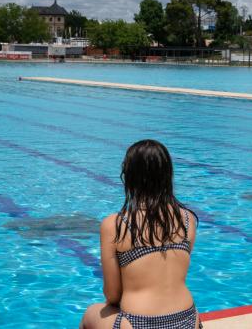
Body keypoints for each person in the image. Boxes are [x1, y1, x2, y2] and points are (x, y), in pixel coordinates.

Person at [81, 140, 200, 329]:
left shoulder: (115, 225)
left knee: (91, 313)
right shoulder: (188, 220)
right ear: (168, 175)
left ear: (130, 177)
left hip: (139, 324)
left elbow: (112, 295)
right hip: (186, 320)